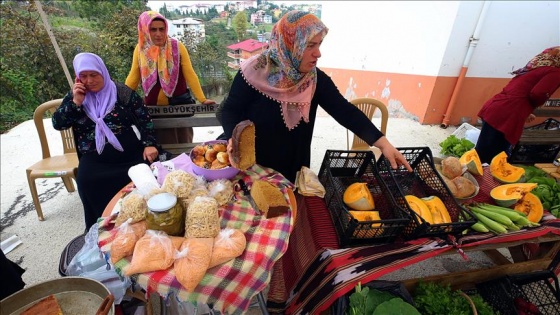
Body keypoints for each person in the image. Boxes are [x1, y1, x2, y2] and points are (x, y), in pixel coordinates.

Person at [219, 10, 412, 183]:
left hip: (292, 167)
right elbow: (229, 110)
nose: (318, 53)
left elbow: (346, 112)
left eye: (319, 44)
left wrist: (383, 143)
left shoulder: (314, 80)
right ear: (289, 44)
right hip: (253, 165)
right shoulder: (254, 72)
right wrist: (231, 139)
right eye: (310, 45)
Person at [53, 52, 159, 230]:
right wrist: (76, 103)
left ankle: (139, 223)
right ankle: (101, 227)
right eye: (84, 76)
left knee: (142, 180)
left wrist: (149, 144)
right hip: (94, 157)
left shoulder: (122, 93)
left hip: (128, 154)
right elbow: (59, 124)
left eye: (94, 75)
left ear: (102, 72)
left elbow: (144, 120)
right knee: (87, 180)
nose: (89, 80)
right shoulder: (75, 97)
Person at [125, 11, 216, 145]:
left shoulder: (177, 47)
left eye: (162, 29)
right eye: (153, 29)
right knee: (163, 147)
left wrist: (202, 98)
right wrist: (122, 101)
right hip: (154, 110)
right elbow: (133, 76)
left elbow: (190, 73)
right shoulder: (140, 49)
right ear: (145, 29)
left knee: (184, 143)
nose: (158, 33)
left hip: (179, 107)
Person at [475, 46, 560, 163]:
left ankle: (473, 177)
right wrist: (533, 105)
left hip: (496, 109)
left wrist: (526, 111)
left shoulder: (536, 67)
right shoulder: (555, 72)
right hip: (506, 116)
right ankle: (481, 180)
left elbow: (518, 92)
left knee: (482, 153)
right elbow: (538, 93)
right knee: (494, 159)